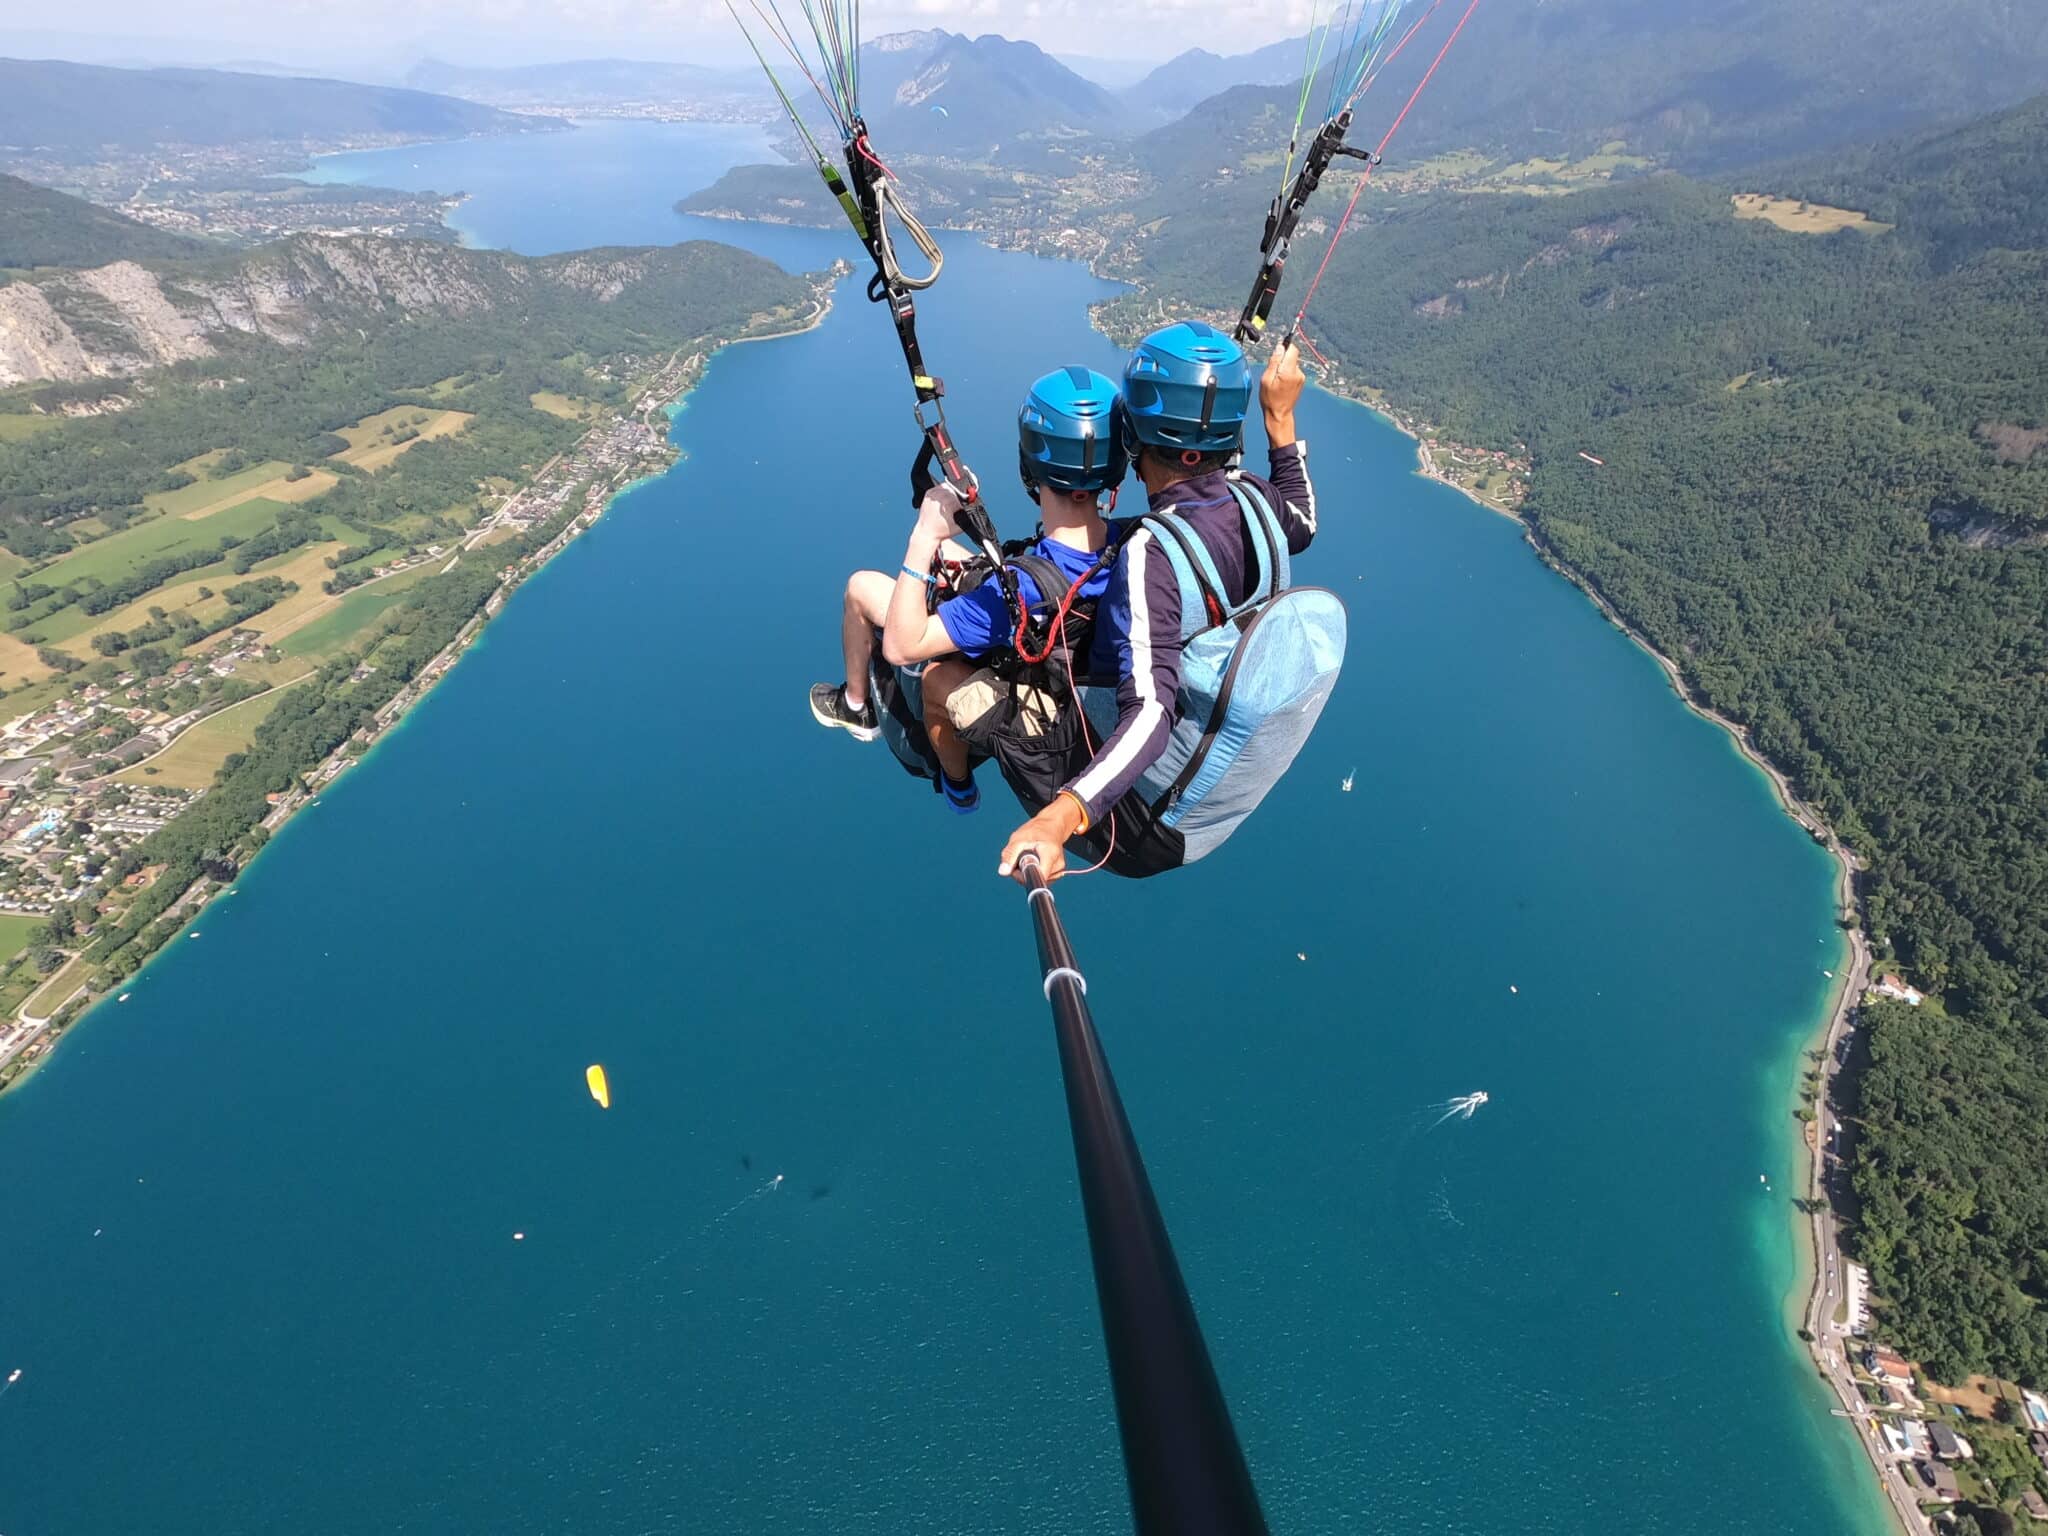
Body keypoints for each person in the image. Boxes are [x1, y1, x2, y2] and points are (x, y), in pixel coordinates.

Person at [997, 322, 1314, 880]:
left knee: (966, 684)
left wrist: (1060, 818)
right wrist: (1281, 422)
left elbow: (1150, 714)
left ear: (1133, 432)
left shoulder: (1150, 554)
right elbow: (1304, 525)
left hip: (1146, 820)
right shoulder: (1255, 497)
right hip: (1217, 794)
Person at [809, 366, 1129, 812]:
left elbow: (903, 647)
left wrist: (924, 535)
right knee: (952, 559)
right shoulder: (1128, 544)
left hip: (1025, 672)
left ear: (1029, 465)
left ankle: (865, 711)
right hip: (1060, 648)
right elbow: (1035, 575)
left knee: (861, 589)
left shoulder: (1019, 591)